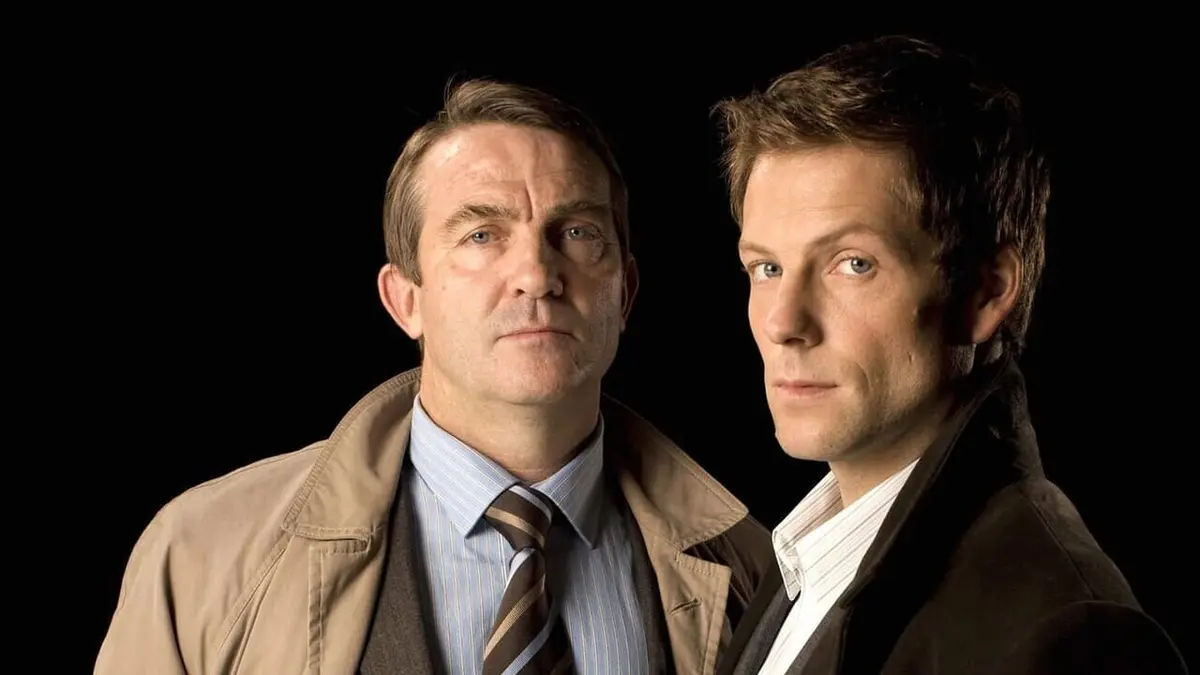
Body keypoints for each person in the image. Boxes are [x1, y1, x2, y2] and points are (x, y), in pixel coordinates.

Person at [95, 77, 775, 675]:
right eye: (481, 235)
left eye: (576, 233)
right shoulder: (203, 556)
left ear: (624, 293)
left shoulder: (755, 569)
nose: (537, 275)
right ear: (405, 300)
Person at [710, 36, 1189, 675]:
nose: (782, 323)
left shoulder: (1069, 635)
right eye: (767, 267)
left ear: (986, 292)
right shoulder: (805, 560)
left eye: (853, 264)